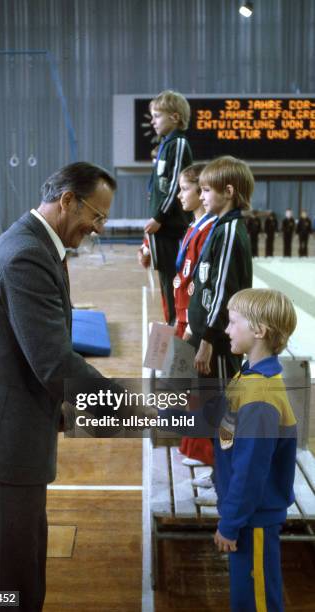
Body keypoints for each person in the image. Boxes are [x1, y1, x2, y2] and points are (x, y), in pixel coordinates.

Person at [0, 162, 150, 610]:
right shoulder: (27, 253)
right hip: (7, 429)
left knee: (21, 555)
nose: (98, 228)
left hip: (14, 421)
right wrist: (138, 409)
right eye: (95, 216)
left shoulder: (35, 243)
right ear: (66, 201)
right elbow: (53, 360)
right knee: (13, 571)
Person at [214, 288, 297, 612]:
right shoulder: (249, 376)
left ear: (259, 331)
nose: (226, 330)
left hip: (253, 519)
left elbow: (250, 472)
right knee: (245, 598)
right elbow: (222, 423)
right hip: (248, 514)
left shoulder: (260, 397)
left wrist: (230, 523)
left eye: (233, 323)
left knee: (257, 601)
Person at [188, 156, 253, 380]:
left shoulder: (228, 232)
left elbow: (223, 292)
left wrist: (207, 341)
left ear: (228, 191)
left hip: (217, 345)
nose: (201, 196)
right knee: (204, 406)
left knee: (218, 407)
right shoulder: (221, 227)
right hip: (208, 337)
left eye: (205, 190)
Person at [173, 163, 215, 468]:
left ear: (202, 193)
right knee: (185, 385)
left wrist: (191, 324)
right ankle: (191, 443)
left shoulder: (210, 230)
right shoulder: (193, 227)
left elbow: (203, 285)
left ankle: (205, 452)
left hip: (195, 322)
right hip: (183, 317)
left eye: (184, 188)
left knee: (199, 386)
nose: (178, 195)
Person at [140, 90, 193, 325]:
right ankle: (172, 326)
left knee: (174, 282)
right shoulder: (164, 145)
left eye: (157, 116)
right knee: (165, 282)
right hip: (161, 228)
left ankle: (177, 329)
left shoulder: (178, 144)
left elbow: (174, 186)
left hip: (172, 227)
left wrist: (160, 216)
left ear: (175, 117)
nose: (153, 121)